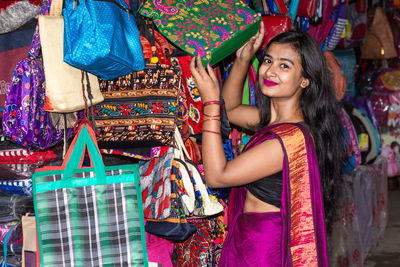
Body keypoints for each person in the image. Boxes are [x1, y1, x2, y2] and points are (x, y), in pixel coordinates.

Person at [190, 22, 347, 266]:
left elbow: (218, 176)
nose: (270, 71)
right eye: (268, 61)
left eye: (284, 65)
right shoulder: (275, 124)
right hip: (251, 238)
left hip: (262, 246)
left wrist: (210, 103)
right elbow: (231, 110)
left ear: (305, 80)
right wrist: (244, 60)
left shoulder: (288, 139)